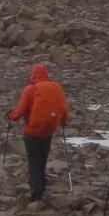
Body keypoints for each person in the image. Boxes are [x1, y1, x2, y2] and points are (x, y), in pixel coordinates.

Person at [6, 63, 70, 202]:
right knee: (42, 160)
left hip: (32, 132)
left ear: (33, 74)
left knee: (33, 162)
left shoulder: (30, 89)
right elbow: (63, 109)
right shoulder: (56, 87)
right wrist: (63, 122)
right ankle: (42, 186)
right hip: (48, 131)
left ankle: (36, 193)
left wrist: (10, 116)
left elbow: (20, 112)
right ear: (46, 74)